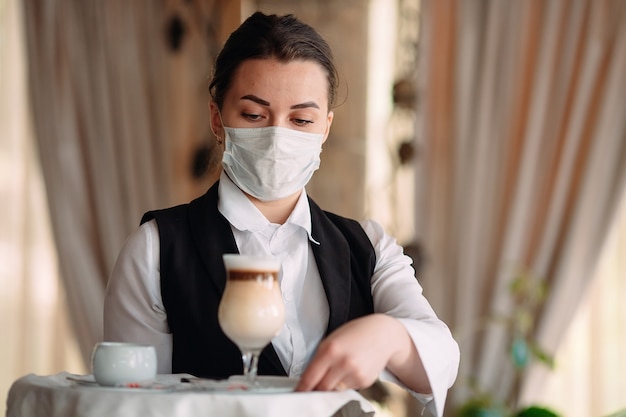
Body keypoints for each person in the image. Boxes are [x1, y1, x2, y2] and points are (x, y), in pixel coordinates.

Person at [104, 11, 459, 417]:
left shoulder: (368, 246)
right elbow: (129, 403)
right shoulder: (156, 248)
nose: (277, 135)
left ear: (325, 128)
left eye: (301, 120)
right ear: (217, 120)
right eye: (254, 116)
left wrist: (389, 336)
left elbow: (442, 360)